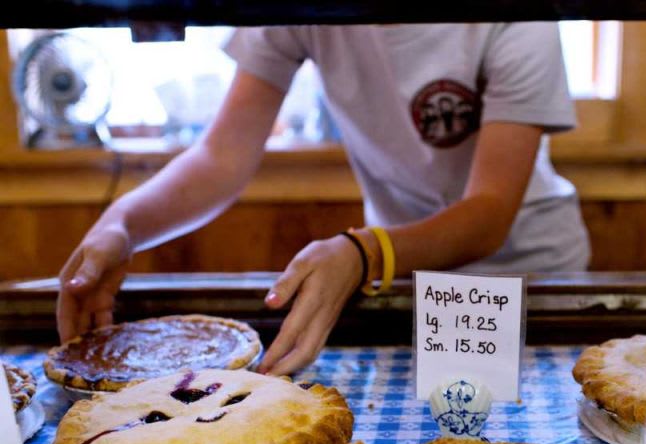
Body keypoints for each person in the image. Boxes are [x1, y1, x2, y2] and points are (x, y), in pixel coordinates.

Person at [56, 23, 590, 375]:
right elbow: (222, 155)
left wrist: (361, 253)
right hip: (399, 278)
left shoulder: (517, 20)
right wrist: (121, 225)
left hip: (527, 277)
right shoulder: (308, 9)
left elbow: (488, 214)